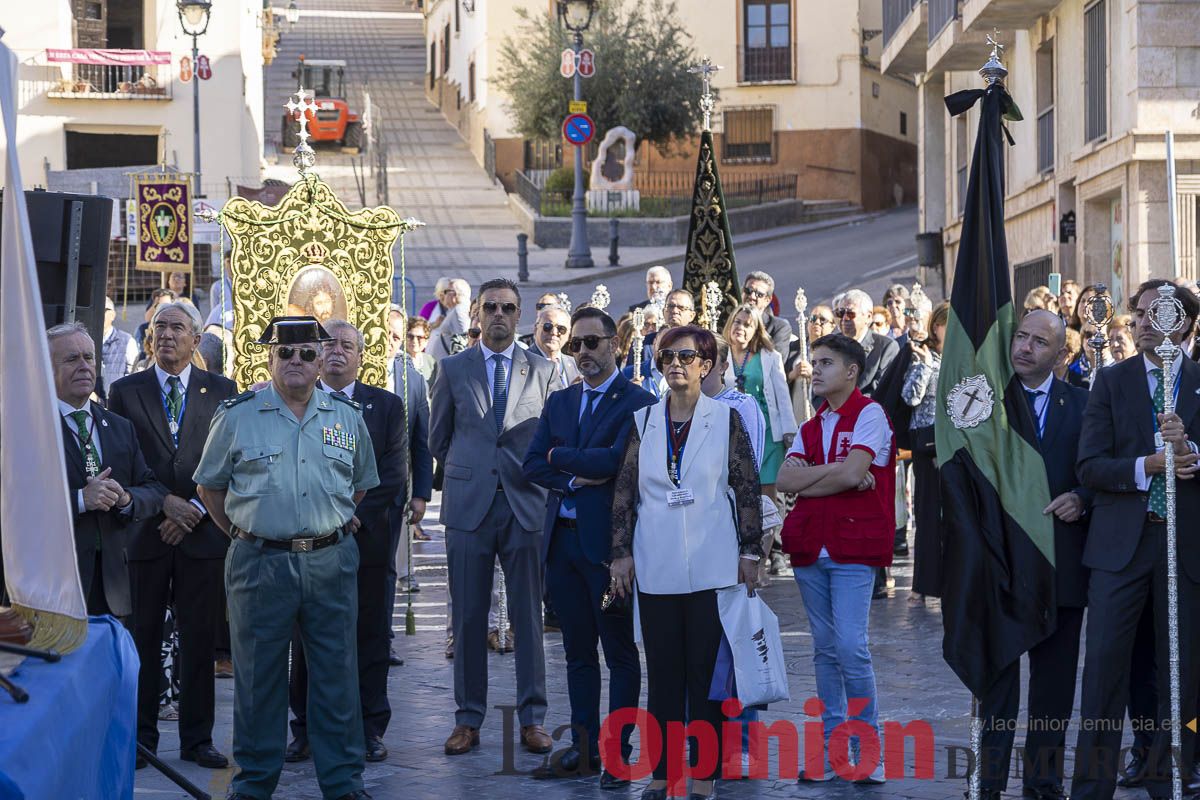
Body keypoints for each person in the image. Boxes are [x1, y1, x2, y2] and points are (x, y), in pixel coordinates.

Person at [194, 316, 379, 800]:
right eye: (285, 352)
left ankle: (343, 783)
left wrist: (326, 521)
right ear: (270, 357)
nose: (296, 360)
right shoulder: (237, 415)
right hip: (260, 564)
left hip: (330, 562)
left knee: (337, 678)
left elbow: (358, 485)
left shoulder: (346, 415)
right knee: (258, 681)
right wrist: (243, 531)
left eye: (307, 353)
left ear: (322, 359)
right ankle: (254, 784)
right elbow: (210, 486)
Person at [609, 324, 762, 800]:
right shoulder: (643, 420)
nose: (675, 363)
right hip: (656, 564)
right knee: (664, 676)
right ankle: (660, 775)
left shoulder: (726, 418)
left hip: (713, 564)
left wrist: (751, 551)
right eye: (666, 356)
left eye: (686, 355)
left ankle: (703, 776)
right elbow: (624, 491)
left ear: (707, 364)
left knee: (705, 677)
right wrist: (620, 553)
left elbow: (748, 485)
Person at [1071, 280, 1200, 800]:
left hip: (1185, 548)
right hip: (1121, 547)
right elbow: (1090, 464)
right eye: (1139, 313)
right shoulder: (1113, 382)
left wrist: (1192, 454)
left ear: (1185, 322)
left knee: (1182, 673)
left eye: (1157, 313)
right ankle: (1091, 784)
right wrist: (1145, 466)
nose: (1144, 322)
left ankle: (1174, 773)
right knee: (1103, 668)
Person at [522, 306, 655, 787]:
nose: (582, 353)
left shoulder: (638, 401)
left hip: (610, 548)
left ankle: (619, 754)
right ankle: (583, 750)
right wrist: (579, 469)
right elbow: (533, 463)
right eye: (575, 345)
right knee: (577, 652)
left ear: (614, 344)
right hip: (562, 544)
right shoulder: (560, 401)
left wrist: (564, 460)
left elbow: (619, 461)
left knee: (618, 652)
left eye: (591, 343)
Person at [429, 278, 558, 757]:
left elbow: (549, 438)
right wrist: (469, 472)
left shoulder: (543, 370)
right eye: (491, 307)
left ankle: (532, 719)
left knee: (528, 616)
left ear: (519, 314)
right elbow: (437, 439)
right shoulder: (452, 368)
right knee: (467, 617)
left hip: (524, 503)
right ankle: (467, 719)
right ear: (478, 314)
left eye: (508, 307)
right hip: (469, 506)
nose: (500, 314)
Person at [107, 301, 237, 771]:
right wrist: (165, 504)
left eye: (176, 328)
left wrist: (196, 510)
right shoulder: (125, 391)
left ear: (195, 340)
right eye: (159, 327)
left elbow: (229, 461)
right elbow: (122, 459)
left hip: (202, 535)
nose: (166, 335)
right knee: (142, 637)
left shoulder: (222, 390)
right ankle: (142, 738)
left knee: (200, 639)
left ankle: (197, 739)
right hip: (146, 532)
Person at [975, 309, 1092, 800]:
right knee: (999, 681)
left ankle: (1043, 782)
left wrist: (1082, 497)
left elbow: (1098, 466)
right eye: (1020, 337)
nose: (1024, 347)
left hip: (1060, 565)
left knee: (1054, 684)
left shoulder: (1084, 405)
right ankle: (989, 779)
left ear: (1061, 354)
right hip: (1000, 563)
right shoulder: (984, 404)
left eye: (1038, 342)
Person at [284, 320, 407, 765]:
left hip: (366, 541)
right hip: (310, 544)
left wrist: (350, 518)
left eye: (347, 345)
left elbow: (392, 475)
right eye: (329, 344)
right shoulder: (296, 402)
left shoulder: (387, 406)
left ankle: (369, 727)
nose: (337, 351)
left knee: (370, 636)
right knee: (308, 638)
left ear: (360, 356)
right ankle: (307, 730)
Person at [777, 332, 895, 785]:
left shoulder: (870, 415)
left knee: (851, 646)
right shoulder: (810, 427)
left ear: (851, 371)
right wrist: (839, 475)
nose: (816, 370)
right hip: (810, 547)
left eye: (826, 363)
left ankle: (867, 750)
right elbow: (787, 480)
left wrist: (830, 476)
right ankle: (832, 751)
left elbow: (854, 472)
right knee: (825, 651)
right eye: (815, 362)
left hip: (852, 547)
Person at [49, 322, 166, 617]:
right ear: (45, 368)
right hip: (54, 586)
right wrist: (79, 500)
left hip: (113, 588)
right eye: (72, 359)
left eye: (89, 358)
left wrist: (126, 499)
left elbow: (153, 489)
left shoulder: (118, 427)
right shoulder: (29, 429)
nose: (84, 366)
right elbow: (13, 504)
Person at [723, 303, 796, 574]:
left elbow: (781, 397)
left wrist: (789, 433)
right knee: (737, 496)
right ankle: (737, 556)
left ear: (756, 330)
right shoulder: (720, 355)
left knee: (765, 501)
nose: (740, 328)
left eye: (747, 324)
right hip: (732, 436)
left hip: (767, 435)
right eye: (737, 322)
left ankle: (762, 562)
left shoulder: (768, 356)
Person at [901, 301, 948, 603]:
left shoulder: (965, 357)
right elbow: (910, 396)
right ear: (936, 327)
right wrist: (926, 365)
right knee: (928, 515)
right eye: (947, 323)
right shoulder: (925, 356)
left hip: (955, 445)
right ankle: (922, 585)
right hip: (927, 445)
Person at [834, 289, 899, 398]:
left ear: (868, 317)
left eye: (850, 313)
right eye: (841, 313)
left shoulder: (886, 347)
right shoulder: (831, 344)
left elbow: (882, 390)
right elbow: (820, 387)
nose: (844, 318)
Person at [785, 305, 835, 425]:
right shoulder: (793, 348)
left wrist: (813, 374)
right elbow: (778, 380)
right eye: (813, 319)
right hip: (795, 419)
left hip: (822, 418)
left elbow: (837, 384)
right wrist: (793, 374)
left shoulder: (836, 352)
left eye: (822, 320)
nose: (817, 322)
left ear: (833, 326)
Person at [528, 305, 580, 390]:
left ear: (569, 335)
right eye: (548, 326)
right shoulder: (522, 362)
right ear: (535, 329)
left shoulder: (576, 364)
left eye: (561, 329)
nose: (554, 332)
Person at [741, 270, 793, 352]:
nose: (752, 296)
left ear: (767, 300)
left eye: (759, 294)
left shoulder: (779, 327)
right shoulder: (730, 322)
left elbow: (776, 361)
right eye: (748, 291)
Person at [100, 296, 138, 398]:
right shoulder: (86, 339)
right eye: (97, 310)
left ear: (112, 315)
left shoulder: (127, 340)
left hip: (117, 399)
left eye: (103, 310)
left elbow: (132, 374)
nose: (99, 314)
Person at [426, 278, 471, 360]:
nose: (443, 295)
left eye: (446, 291)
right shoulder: (455, 310)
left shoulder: (459, 311)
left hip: (447, 364)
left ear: (456, 294)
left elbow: (463, 338)